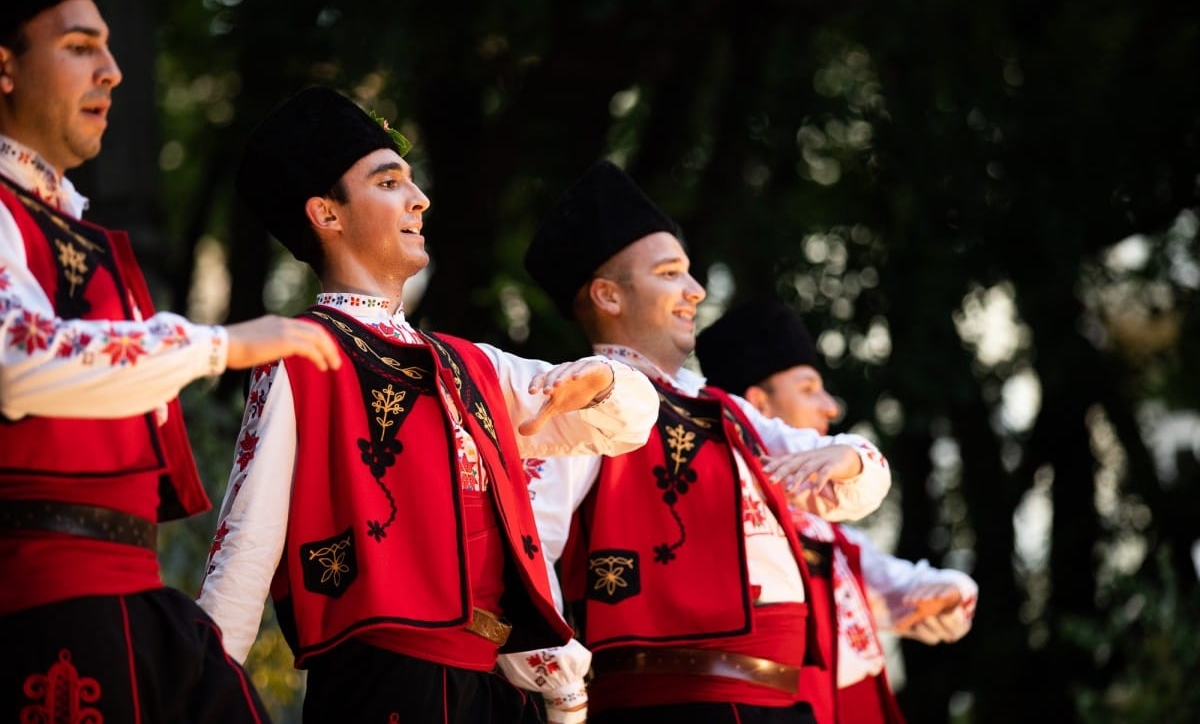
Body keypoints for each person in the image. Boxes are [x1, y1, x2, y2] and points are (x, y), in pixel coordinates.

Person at [195, 87, 659, 722]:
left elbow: (627, 423)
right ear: (327, 215)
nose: (420, 199)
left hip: (495, 687)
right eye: (389, 182)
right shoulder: (302, 357)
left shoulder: (474, 365)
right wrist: (196, 691)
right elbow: (245, 546)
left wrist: (600, 380)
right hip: (386, 683)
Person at [0, 0, 343, 722]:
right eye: (80, 46)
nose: (111, 71)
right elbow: (17, 358)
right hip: (42, 607)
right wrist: (222, 344)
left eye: (109, 48)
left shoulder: (74, 228)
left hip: (138, 603)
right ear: (6, 65)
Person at [497, 160, 893, 724]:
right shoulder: (586, 403)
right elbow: (528, 545)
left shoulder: (727, 410)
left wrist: (849, 457)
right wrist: (561, 684)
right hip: (676, 705)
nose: (696, 291)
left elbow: (858, 492)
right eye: (670, 273)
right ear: (607, 295)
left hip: (779, 701)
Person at [695, 297, 979, 724]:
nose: (831, 406)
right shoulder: (727, 522)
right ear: (758, 405)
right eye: (809, 389)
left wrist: (949, 591)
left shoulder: (831, 537)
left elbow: (909, 586)